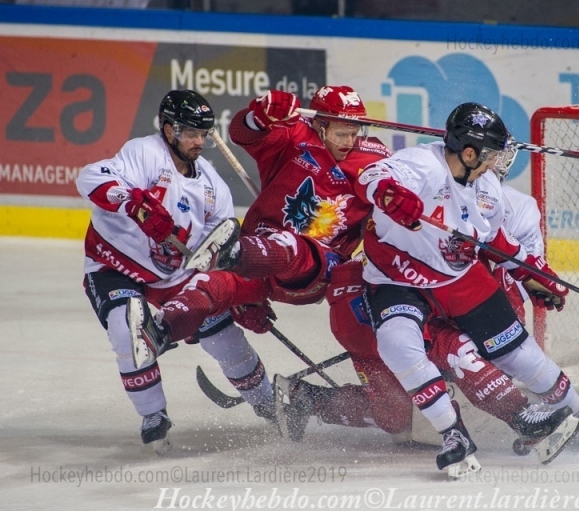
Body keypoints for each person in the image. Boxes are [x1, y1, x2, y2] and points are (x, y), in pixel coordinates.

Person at [352, 102, 579, 477]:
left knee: (519, 354)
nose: (495, 162)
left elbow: (497, 241)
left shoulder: (487, 187)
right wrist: (391, 196)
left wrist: (535, 272)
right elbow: (372, 175)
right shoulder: (424, 165)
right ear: (468, 152)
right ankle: (453, 433)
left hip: (458, 278)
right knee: (397, 343)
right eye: (491, 154)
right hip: (398, 277)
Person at [77, 90, 275, 453]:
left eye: (203, 134)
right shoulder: (145, 153)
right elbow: (89, 178)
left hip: (174, 277)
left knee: (226, 340)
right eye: (191, 134)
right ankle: (153, 415)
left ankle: (270, 406)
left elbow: (218, 250)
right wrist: (135, 204)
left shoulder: (212, 186)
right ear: (169, 130)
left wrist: (242, 296)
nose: (199, 142)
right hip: (115, 265)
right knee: (127, 327)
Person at [130, 86, 394, 355]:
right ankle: (160, 333)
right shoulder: (293, 134)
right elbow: (241, 133)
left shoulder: (375, 157)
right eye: (341, 133)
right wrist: (261, 117)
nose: (349, 141)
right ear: (319, 125)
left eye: (354, 132)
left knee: (289, 245)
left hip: (318, 266)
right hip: (257, 256)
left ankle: (231, 253)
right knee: (211, 286)